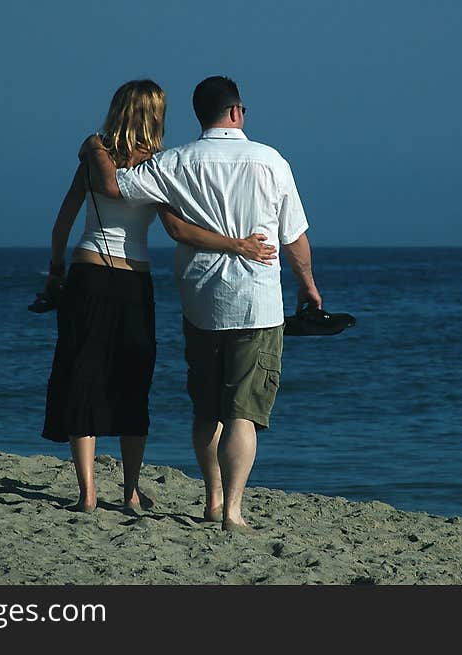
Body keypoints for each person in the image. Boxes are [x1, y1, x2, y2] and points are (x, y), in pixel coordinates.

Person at [82, 75, 322, 531]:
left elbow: (117, 188)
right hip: (257, 303)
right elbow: (294, 238)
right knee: (243, 413)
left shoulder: (175, 161)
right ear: (236, 111)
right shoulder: (270, 160)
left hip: (201, 300)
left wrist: (96, 147)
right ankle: (233, 510)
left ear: (201, 115)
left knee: (207, 409)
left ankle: (212, 498)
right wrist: (308, 285)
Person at [41, 79, 277, 514]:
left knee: (85, 376)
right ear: (155, 115)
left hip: (88, 272)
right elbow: (177, 230)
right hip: (134, 279)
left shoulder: (99, 154)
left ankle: (88, 493)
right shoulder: (158, 165)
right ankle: (128, 491)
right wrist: (237, 244)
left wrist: (55, 268)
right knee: (133, 380)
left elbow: (65, 217)